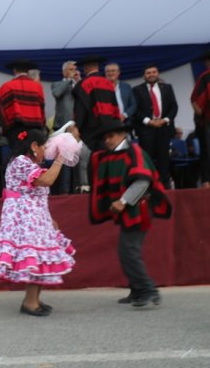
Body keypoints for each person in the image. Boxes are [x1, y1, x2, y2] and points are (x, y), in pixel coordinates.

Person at [0, 129, 76, 317]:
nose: (46, 151)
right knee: (34, 258)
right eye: (44, 146)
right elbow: (46, 180)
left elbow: (38, 194)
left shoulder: (28, 164)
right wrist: (61, 159)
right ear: (34, 146)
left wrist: (49, 219)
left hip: (34, 216)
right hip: (23, 218)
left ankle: (34, 299)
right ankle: (30, 302)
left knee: (40, 258)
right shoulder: (20, 162)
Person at [89, 118, 171, 307]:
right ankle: (137, 290)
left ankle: (148, 289)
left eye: (111, 136)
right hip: (131, 209)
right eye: (105, 137)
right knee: (127, 250)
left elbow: (143, 181)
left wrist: (123, 201)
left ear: (122, 135)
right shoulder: (110, 155)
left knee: (129, 251)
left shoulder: (135, 152)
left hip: (139, 209)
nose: (107, 140)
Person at [72, 54, 120, 192]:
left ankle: (92, 188)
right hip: (109, 128)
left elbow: (80, 110)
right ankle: (109, 186)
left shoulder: (83, 84)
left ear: (86, 68)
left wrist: (77, 127)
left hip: (91, 129)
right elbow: (114, 106)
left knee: (91, 160)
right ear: (98, 67)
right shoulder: (108, 83)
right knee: (108, 158)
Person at [132, 64, 179, 189]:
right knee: (147, 160)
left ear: (157, 73)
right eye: (148, 73)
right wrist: (149, 121)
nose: (151, 74)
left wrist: (165, 120)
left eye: (154, 72)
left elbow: (173, 107)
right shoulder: (137, 90)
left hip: (164, 129)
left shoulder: (167, 88)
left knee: (164, 160)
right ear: (144, 75)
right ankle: (148, 187)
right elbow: (136, 110)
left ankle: (164, 187)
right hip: (146, 130)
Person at [0, 59, 46, 142]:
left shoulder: (7, 86)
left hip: (16, 128)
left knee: (18, 151)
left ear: (14, 70)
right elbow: (41, 107)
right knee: (32, 151)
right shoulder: (38, 87)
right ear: (28, 71)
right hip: (35, 127)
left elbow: (0, 109)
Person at [51, 60, 80, 195]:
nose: (73, 71)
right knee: (64, 161)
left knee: (80, 160)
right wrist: (68, 79)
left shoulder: (79, 84)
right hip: (63, 128)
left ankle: (79, 189)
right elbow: (57, 93)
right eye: (70, 69)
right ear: (64, 71)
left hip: (79, 128)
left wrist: (78, 81)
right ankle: (64, 192)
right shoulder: (57, 84)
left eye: (74, 69)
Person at [190, 50, 210, 188]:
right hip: (208, 122)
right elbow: (195, 102)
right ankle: (207, 182)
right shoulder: (205, 77)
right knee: (208, 152)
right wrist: (203, 118)